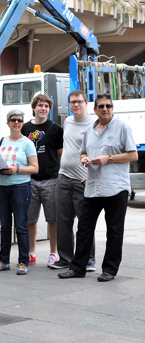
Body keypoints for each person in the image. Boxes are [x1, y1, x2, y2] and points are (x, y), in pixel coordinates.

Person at [58, 94, 137, 282]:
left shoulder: (122, 127)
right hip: (93, 186)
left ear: (113, 108)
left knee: (114, 231)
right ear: (95, 110)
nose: (105, 109)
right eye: (101, 106)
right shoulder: (90, 130)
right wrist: (84, 158)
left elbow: (133, 155)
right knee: (84, 228)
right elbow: (83, 151)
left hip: (116, 187)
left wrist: (108, 158)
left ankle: (109, 270)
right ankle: (78, 267)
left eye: (108, 106)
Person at [50, 90, 96, 271]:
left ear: (86, 103)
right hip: (64, 178)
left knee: (85, 222)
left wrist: (92, 175)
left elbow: (99, 150)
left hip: (82, 180)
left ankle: (88, 259)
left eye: (79, 102)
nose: (75, 105)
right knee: (63, 221)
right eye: (72, 102)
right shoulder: (67, 122)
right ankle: (65, 258)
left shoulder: (93, 123)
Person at [0, 110, 38, 275]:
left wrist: (17, 169)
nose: (16, 123)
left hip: (20, 187)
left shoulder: (27, 143)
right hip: (1, 186)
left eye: (19, 120)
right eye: (13, 120)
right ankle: (3, 261)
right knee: (5, 226)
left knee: (21, 226)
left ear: (22, 123)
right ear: (8, 123)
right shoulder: (1, 141)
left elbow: (35, 168)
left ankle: (23, 262)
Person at [21, 94, 63, 267]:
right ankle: (31, 252)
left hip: (51, 179)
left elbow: (60, 154)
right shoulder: (25, 128)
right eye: (40, 105)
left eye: (46, 106)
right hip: (30, 180)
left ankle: (53, 253)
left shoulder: (56, 129)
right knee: (30, 219)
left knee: (52, 219)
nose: (43, 108)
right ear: (34, 108)